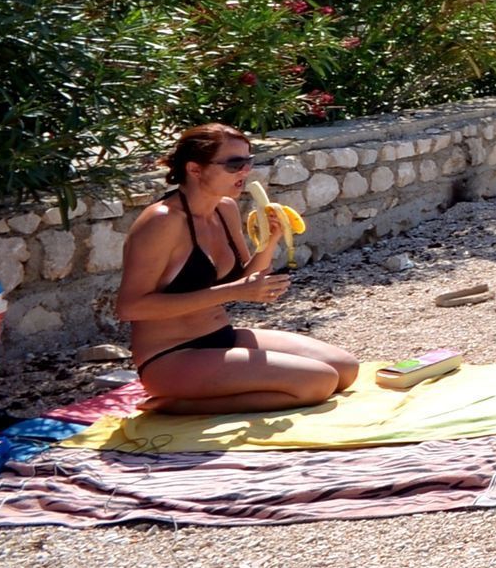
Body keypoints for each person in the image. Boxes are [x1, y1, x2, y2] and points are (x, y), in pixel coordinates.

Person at [113, 124, 360, 412]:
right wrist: (234, 292)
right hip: (171, 356)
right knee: (318, 382)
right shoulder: (162, 221)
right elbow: (130, 308)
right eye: (234, 164)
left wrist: (270, 240)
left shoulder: (225, 208)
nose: (245, 171)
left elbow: (245, 278)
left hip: (222, 337)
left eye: (248, 161)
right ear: (195, 169)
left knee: (345, 368)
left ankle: (204, 395)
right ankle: (178, 406)